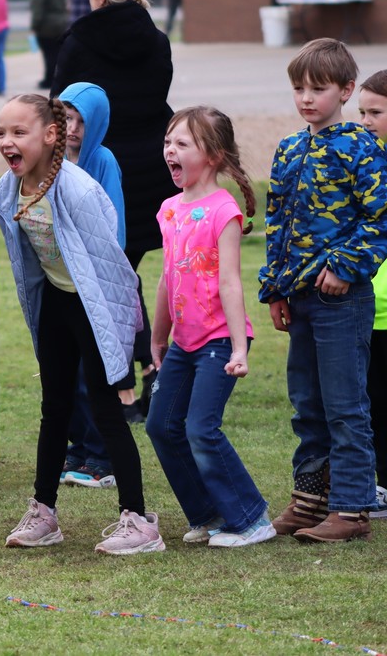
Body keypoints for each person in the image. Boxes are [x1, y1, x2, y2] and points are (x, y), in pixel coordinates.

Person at [0, 94, 165, 555]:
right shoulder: (10, 188)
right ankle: (43, 513)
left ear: (51, 136)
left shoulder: (79, 190)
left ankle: (138, 520)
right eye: (2, 133)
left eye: (19, 132)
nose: (8, 141)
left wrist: (125, 338)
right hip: (57, 304)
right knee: (55, 408)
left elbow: (114, 268)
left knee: (107, 409)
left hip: (96, 308)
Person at [261, 39, 387, 543]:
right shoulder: (290, 148)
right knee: (306, 404)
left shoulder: (363, 147)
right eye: (298, 88)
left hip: (343, 299)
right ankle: (309, 502)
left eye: (319, 88)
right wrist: (275, 290)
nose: (307, 98)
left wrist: (343, 266)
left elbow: (380, 218)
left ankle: (353, 508)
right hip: (300, 299)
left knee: (345, 405)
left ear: (347, 90)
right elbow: (276, 224)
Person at [51, 0, 178, 423]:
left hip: (95, 167)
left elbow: (60, 107)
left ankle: (119, 380)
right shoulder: (157, 40)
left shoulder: (79, 41)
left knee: (105, 283)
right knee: (128, 274)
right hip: (150, 168)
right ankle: (150, 371)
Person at [147, 106, 275, 548]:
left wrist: (239, 348)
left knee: (201, 428)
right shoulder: (169, 210)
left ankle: (252, 518)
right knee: (160, 425)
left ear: (215, 156)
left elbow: (230, 282)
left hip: (219, 340)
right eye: (169, 141)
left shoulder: (223, 212)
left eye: (183, 143)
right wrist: (158, 336)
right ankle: (209, 513)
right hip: (182, 341)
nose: (170, 150)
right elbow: (167, 276)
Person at [55, 81, 123, 488]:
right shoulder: (50, 158)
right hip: (60, 284)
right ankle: (78, 448)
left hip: (93, 286)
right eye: (66, 118)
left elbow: (112, 227)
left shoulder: (103, 161)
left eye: (82, 119)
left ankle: (103, 457)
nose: (74, 128)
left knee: (90, 376)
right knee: (63, 374)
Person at [358, 70, 387, 518]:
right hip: (366, 307)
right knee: (370, 400)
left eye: (375, 112)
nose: (365, 121)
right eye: (361, 111)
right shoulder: (363, 163)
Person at [30, 0, 67, 91]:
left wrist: (34, 26)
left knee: (48, 55)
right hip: (60, 25)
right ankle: (56, 78)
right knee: (55, 55)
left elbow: (38, 11)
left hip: (46, 27)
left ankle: (48, 80)